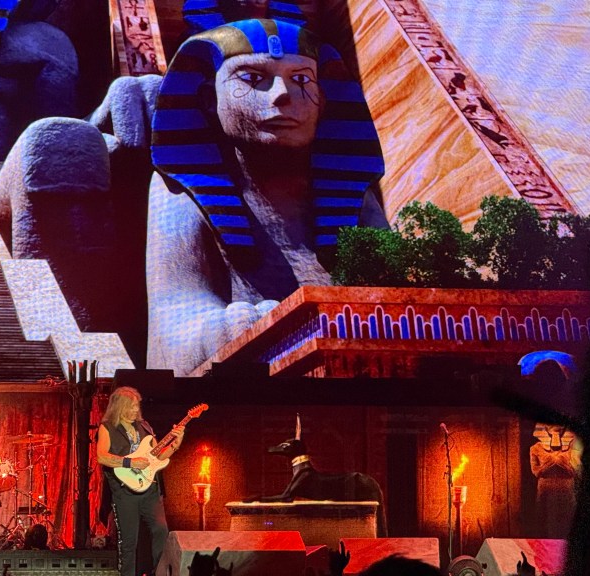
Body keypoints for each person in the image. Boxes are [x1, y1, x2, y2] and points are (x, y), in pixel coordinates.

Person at [146, 18, 389, 375]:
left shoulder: (355, 195)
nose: (281, 95)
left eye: (301, 80)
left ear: (323, 101)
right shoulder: (179, 187)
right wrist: (219, 331)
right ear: (208, 99)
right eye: (252, 78)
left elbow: (394, 292)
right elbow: (174, 314)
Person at [97, 387, 185, 576]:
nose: (135, 410)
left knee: (161, 531)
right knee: (129, 541)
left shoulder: (145, 427)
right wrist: (130, 462)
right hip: (124, 492)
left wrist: (175, 445)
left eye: (137, 406)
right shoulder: (107, 428)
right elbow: (102, 457)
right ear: (119, 407)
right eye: (131, 406)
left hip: (150, 489)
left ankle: (159, 573)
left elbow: (158, 457)